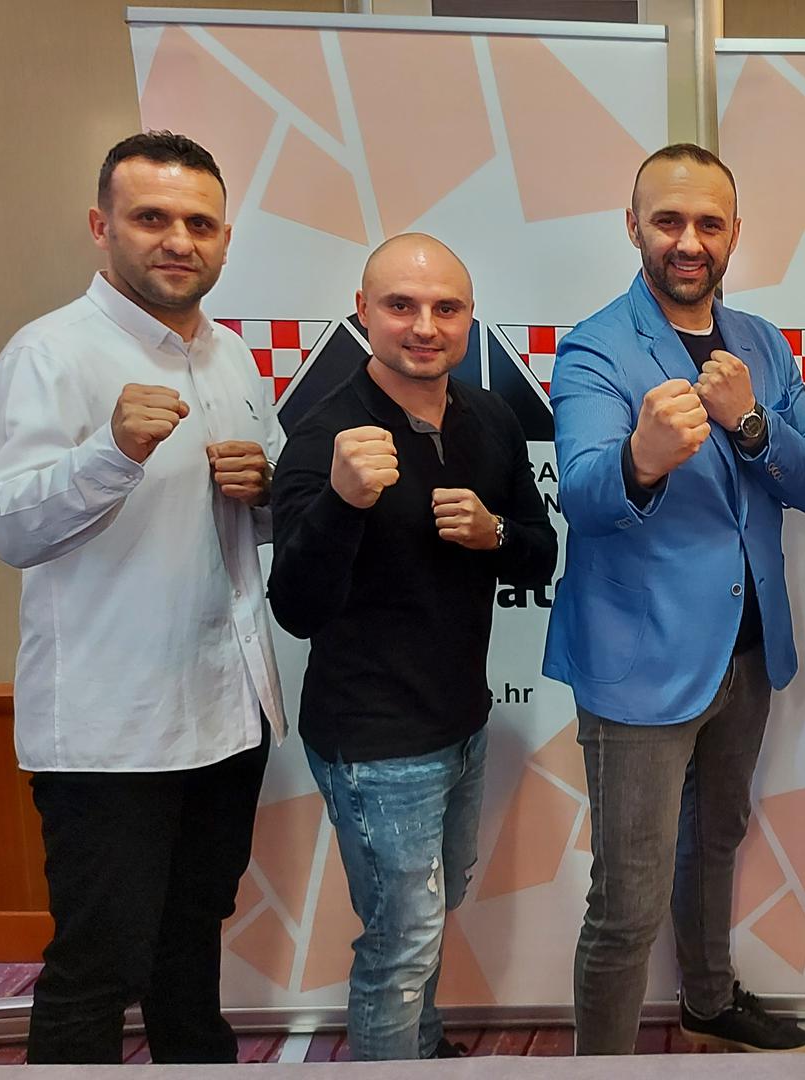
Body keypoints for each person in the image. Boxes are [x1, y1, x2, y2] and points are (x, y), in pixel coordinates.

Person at [0, 131, 284, 1064]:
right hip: (113, 728)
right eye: (152, 217)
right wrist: (112, 452)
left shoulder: (232, 357)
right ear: (100, 226)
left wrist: (268, 491)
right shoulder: (50, 353)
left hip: (226, 712)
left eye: (200, 223)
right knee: (99, 967)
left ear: (224, 239)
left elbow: (256, 520)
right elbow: (9, 527)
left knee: (191, 946)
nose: (178, 240)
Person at [544, 143, 805, 1054]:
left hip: (745, 651)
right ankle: (599, 1069)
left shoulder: (762, 344)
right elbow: (583, 495)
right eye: (667, 220)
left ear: (734, 234)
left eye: (708, 223)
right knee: (626, 902)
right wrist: (640, 460)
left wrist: (750, 422)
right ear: (633, 226)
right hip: (639, 660)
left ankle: (707, 1000)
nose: (688, 241)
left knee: (715, 844)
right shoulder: (595, 345)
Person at [267, 234, 556, 1060]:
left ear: (469, 319)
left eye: (445, 308)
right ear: (362, 311)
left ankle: (420, 1051)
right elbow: (295, 607)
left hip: (462, 722)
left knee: (427, 917)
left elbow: (539, 555)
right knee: (401, 945)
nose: (424, 326)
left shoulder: (490, 419)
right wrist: (342, 502)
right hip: (372, 739)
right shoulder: (324, 435)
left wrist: (496, 533)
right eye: (401, 305)